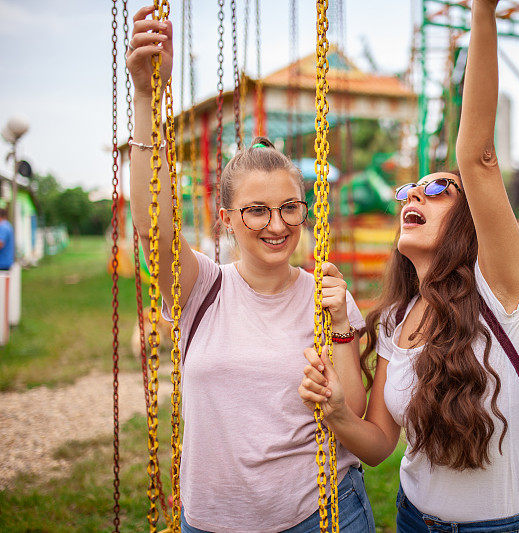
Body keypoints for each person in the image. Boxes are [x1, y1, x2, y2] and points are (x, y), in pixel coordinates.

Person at [126, 6, 375, 532]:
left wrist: (342, 327)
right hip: (213, 521)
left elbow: (350, 411)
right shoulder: (201, 289)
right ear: (227, 219)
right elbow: (155, 226)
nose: (276, 225)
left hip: (321, 514)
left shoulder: (325, 294)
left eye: (289, 207)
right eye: (256, 210)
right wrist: (148, 98)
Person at [298, 1, 519, 531]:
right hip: (412, 520)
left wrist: (482, 12)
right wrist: (337, 411)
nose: (416, 193)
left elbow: (477, 155)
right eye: (409, 189)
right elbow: (380, 444)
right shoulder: (395, 320)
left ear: (468, 220)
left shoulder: (497, 290)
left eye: (437, 189)